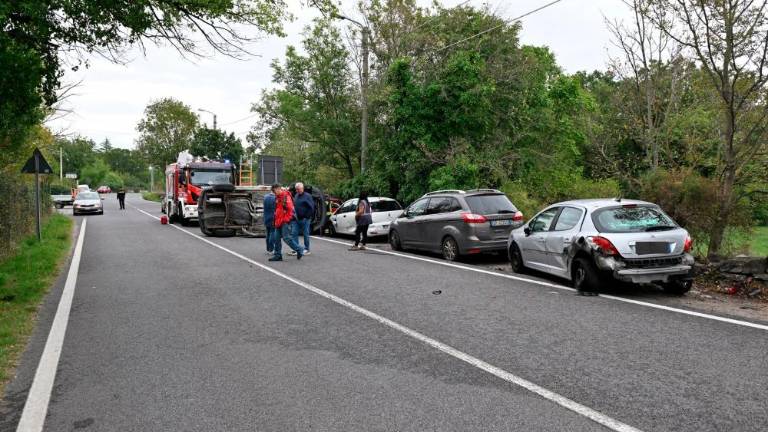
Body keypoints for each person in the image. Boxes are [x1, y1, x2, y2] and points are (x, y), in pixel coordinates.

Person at [269, 184, 304, 262]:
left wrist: (286, 219)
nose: (274, 193)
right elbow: (278, 209)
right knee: (276, 238)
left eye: (274, 192)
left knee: (286, 238)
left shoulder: (285, 197)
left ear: (278, 189)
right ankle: (278, 255)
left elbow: (290, 210)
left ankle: (299, 249)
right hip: (279, 221)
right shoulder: (278, 197)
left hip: (285, 221)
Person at [290, 182, 315, 255]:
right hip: (296, 219)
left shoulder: (308, 196)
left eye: (298, 189)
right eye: (296, 189)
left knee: (305, 234)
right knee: (294, 233)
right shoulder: (296, 195)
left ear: (302, 188)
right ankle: (296, 249)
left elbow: (311, 208)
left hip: (305, 219)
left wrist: (306, 217)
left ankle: (307, 249)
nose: (297, 191)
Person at [263, 189, 276, 255]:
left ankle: (268, 249)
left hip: (266, 217)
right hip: (273, 218)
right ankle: (271, 249)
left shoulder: (265, 197)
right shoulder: (275, 198)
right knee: (272, 233)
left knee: (268, 234)